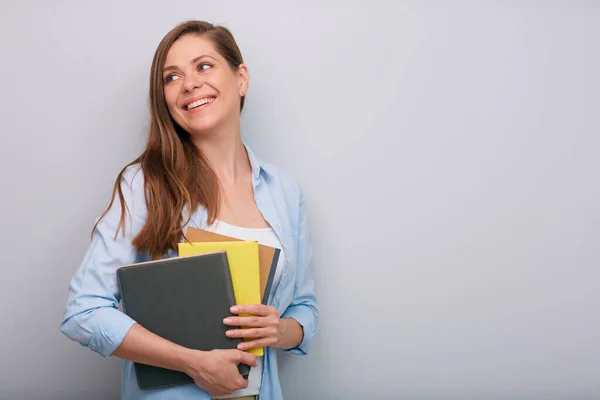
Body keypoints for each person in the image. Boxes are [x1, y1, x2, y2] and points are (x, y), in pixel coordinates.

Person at [59, 20, 318, 400]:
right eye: (171, 77)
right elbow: (83, 312)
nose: (189, 84)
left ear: (241, 78)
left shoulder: (285, 191)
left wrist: (281, 331)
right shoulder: (144, 184)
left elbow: (304, 308)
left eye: (204, 66)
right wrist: (191, 361)